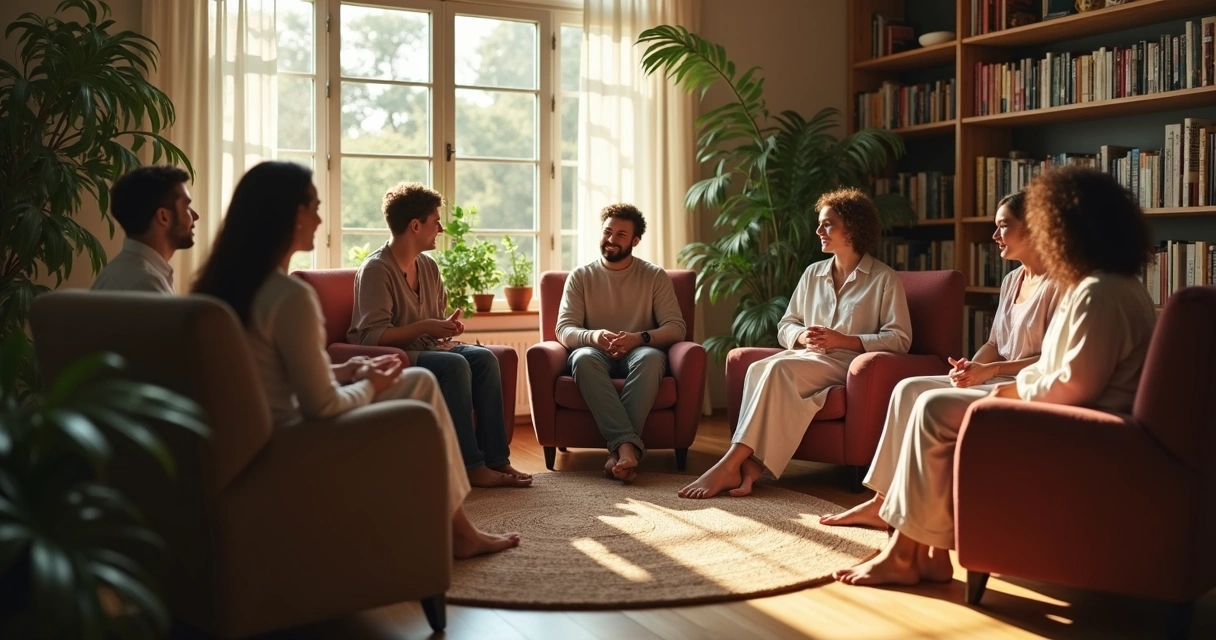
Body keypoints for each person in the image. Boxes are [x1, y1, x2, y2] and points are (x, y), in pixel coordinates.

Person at [834, 166, 1157, 586]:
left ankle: (908, 552)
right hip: (1072, 414)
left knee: (932, 406)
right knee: (925, 398)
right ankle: (924, 552)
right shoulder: (1100, 286)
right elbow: (1062, 369)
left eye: (1046, 223)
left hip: (1081, 427)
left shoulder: (1100, 292)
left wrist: (1010, 387)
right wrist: (997, 378)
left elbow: (1075, 385)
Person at [193, 161, 519, 559]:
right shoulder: (292, 296)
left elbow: (270, 375)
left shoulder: (219, 290)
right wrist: (370, 384)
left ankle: (483, 479)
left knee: (471, 361)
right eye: (313, 206)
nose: (320, 218)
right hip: (292, 442)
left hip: (260, 432)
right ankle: (460, 512)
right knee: (423, 381)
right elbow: (324, 403)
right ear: (291, 216)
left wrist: (346, 370)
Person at [821, 191, 1063, 535]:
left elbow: (1052, 358)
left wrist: (989, 372)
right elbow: (995, 343)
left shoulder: (1060, 284)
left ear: (1035, 228)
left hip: (1020, 382)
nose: (994, 237)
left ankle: (906, 512)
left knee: (928, 398)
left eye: (1003, 227)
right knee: (907, 388)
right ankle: (881, 501)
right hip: (991, 374)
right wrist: (970, 368)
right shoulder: (1012, 281)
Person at [680, 188, 912, 499]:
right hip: (809, 358)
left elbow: (900, 339)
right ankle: (749, 468)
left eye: (827, 224)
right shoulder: (812, 274)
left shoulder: (884, 279)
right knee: (758, 368)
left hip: (847, 365)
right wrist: (800, 336)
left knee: (779, 370)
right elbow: (787, 324)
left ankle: (728, 464)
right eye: (819, 223)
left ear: (852, 228)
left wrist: (844, 339)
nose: (818, 230)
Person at [348, 182, 530, 489]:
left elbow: (430, 322)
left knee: (484, 358)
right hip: (398, 356)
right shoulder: (377, 270)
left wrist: (443, 327)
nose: (441, 228)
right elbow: (371, 337)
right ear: (415, 226)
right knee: (455, 366)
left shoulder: (429, 267)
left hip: (429, 348)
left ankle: (497, 459)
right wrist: (426, 327)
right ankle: (471, 467)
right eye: (436, 221)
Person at [555, 203, 687, 483]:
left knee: (651, 358)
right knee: (582, 358)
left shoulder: (654, 276)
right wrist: (594, 336)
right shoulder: (580, 276)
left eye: (621, 235)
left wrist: (638, 338)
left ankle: (619, 452)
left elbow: (676, 328)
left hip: (639, 350)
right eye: (607, 232)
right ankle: (626, 449)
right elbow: (564, 329)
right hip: (595, 352)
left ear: (635, 241)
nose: (611, 240)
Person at [92, 165, 199, 293]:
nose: (195, 216)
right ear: (164, 217)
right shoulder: (147, 284)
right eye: (187, 207)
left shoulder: (114, 273)